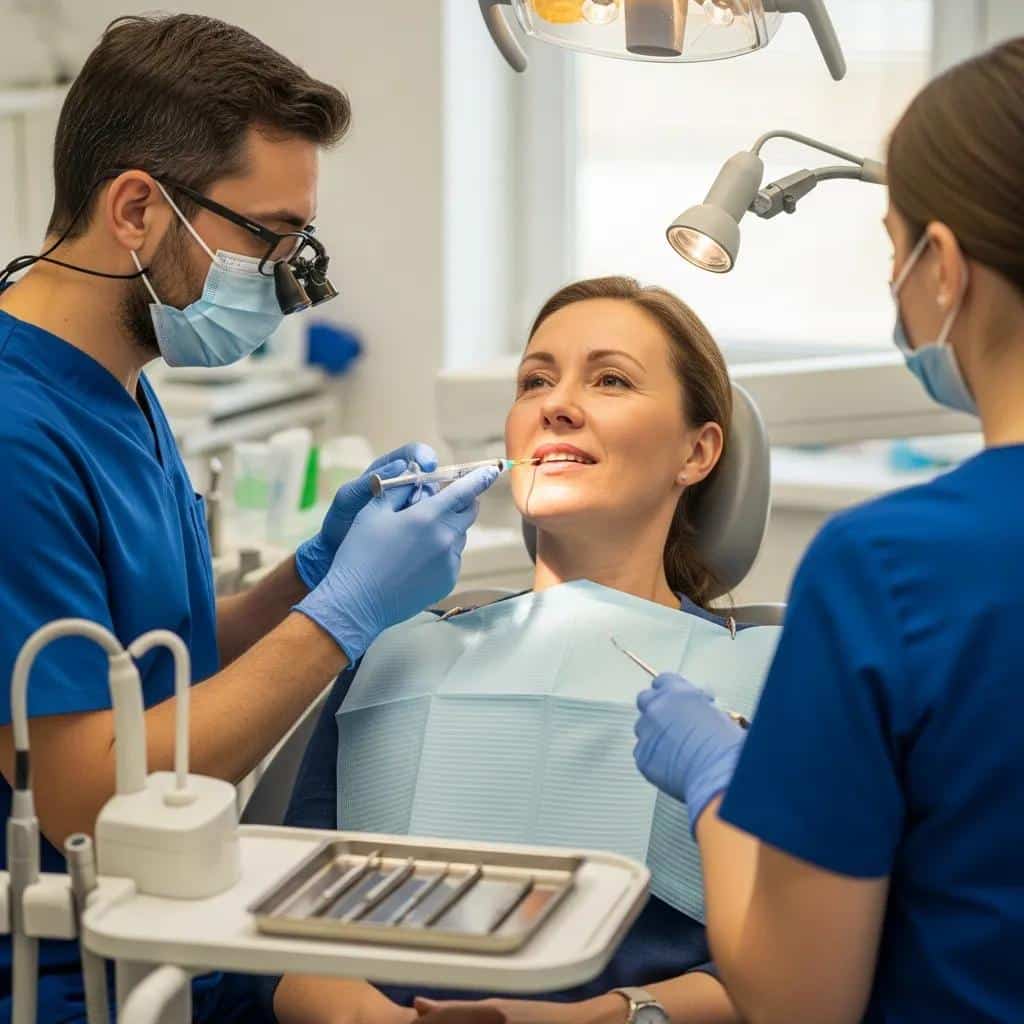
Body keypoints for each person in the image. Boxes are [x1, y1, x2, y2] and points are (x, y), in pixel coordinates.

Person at [0, 14, 496, 1021]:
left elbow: (156, 659)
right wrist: (341, 619)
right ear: (136, 208)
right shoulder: (15, 432)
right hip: (71, 977)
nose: (286, 277)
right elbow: (87, 795)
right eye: (266, 237)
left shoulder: (117, 382)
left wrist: (305, 578)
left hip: (167, 936)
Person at [632, 37, 1024, 1024]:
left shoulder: (891, 571)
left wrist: (717, 785)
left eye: (892, 247)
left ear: (939, 266)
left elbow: (795, 998)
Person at [262, 276, 779, 1024]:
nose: (555, 404)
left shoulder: (763, 678)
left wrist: (603, 1018)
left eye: (610, 380)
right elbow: (275, 924)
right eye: (535, 379)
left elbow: (797, 965)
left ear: (697, 452)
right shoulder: (395, 653)